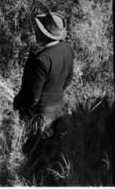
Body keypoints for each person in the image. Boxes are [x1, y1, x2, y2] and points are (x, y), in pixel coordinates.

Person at [13, 11, 73, 164]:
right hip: (58, 107)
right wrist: (55, 91)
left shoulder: (41, 59)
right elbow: (68, 79)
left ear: (45, 34)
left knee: (34, 153)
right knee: (52, 148)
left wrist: (19, 103)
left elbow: (33, 97)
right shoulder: (67, 49)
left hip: (41, 113)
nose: (36, 30)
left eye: (39, 28)